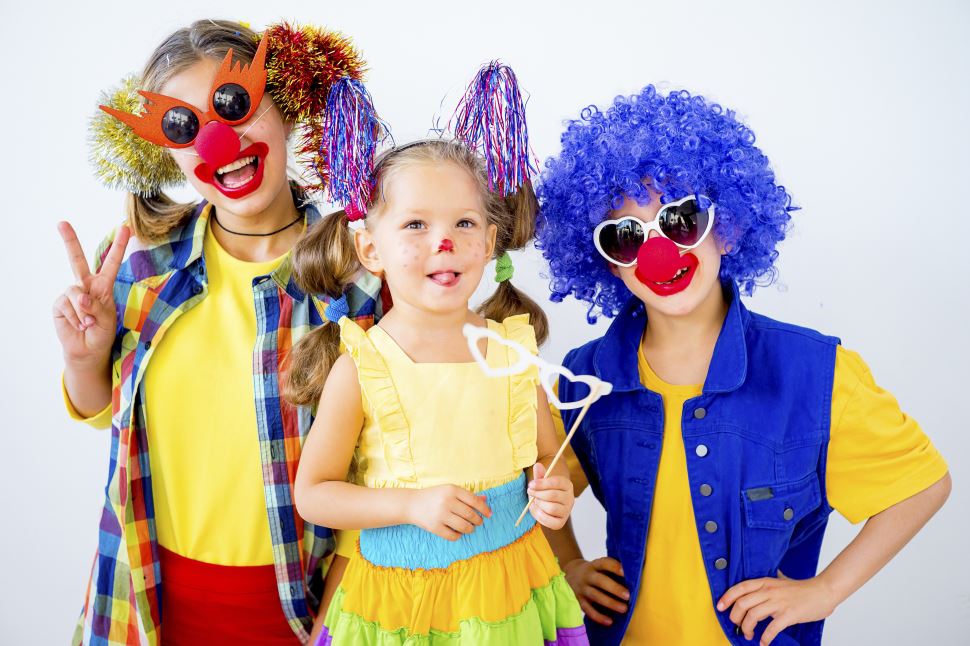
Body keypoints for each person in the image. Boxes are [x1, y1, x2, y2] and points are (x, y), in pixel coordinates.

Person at [535, 85, 951, 645]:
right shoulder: (587, 377)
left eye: (681, 221)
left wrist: (824, 590)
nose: (659, 254)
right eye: (626, 236)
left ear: (727, 228)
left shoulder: (815, 373)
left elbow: (920, 486)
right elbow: (538, 484)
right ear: (606, 262)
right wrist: (570, 566)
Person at [55, 20, 379, 644]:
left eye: (235, 106)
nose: (216, 140)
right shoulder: (138, 269)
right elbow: (102, 413)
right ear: (165, 149)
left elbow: (388, 469)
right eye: (183, 126)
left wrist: (336, 625)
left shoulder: (361, 273)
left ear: (285, 108)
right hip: (144, 601)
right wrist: (85, 358)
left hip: (311, 609)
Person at [288, 131, 587, 644]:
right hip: (402, 606)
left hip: (508, 595)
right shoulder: (362, 365)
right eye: (416, 224)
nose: (442, 242)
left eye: (463, 223)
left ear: (490, 243)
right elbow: (314, 495)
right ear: (370, 248)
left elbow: (546, 462)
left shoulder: (514, 355)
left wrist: (555, 494)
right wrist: (410, 506)